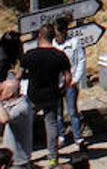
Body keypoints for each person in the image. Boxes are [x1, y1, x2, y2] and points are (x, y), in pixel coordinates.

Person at [18, 24, 69, 168]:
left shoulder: (30, 55)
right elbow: (68, 77)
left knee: (26, 126)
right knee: (51, 126)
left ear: (39, 36)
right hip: (52, 95)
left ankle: (25, 157)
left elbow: (19, 75)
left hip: (33, 96)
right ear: (53, 37)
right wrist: (63, 90)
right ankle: (53, 159)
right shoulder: (60, 55)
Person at [53, 18, 86, 152]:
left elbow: (81, 60)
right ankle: (61, 136)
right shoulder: (53, 44)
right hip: (56, 83)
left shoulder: (74, 43)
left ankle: (78, 138)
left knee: (72, 111)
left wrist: (76, 79)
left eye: (60, 32)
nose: (58, 35)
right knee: (58, 112)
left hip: (70, 83)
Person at [0, 77, 33, 169]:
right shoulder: (11, 102)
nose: (0, 91)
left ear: (10, 93)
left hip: (17, 159)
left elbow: (4, 119)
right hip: (8, 157)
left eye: (2, 90)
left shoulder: (22, 106)